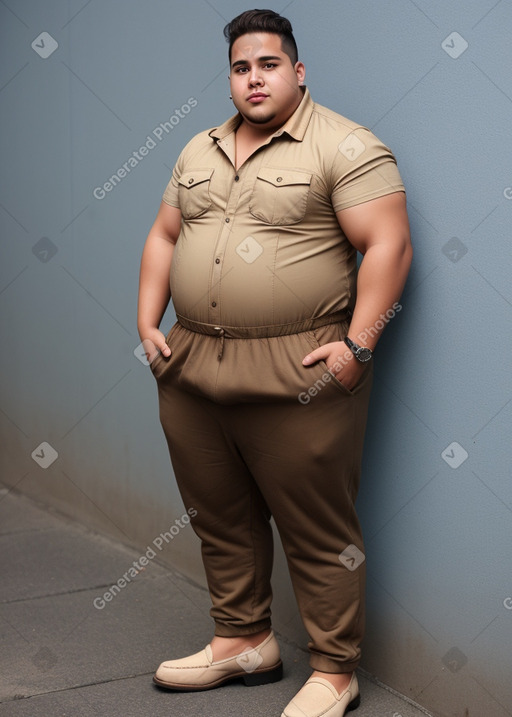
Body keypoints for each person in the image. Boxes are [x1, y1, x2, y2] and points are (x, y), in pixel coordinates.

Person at [137, 9, 412, 717]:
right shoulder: (198, 149)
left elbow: (388, 245)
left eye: (267, 64)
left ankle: (334, 670)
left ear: (297, 69)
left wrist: (358, 346)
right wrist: (148, 317)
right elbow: (166, 233)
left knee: (315, 526)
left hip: (300, 366)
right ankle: (243, 639)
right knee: (218, 512)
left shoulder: (347, 145)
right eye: (239, 67)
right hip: (194, 358)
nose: (252, 78)